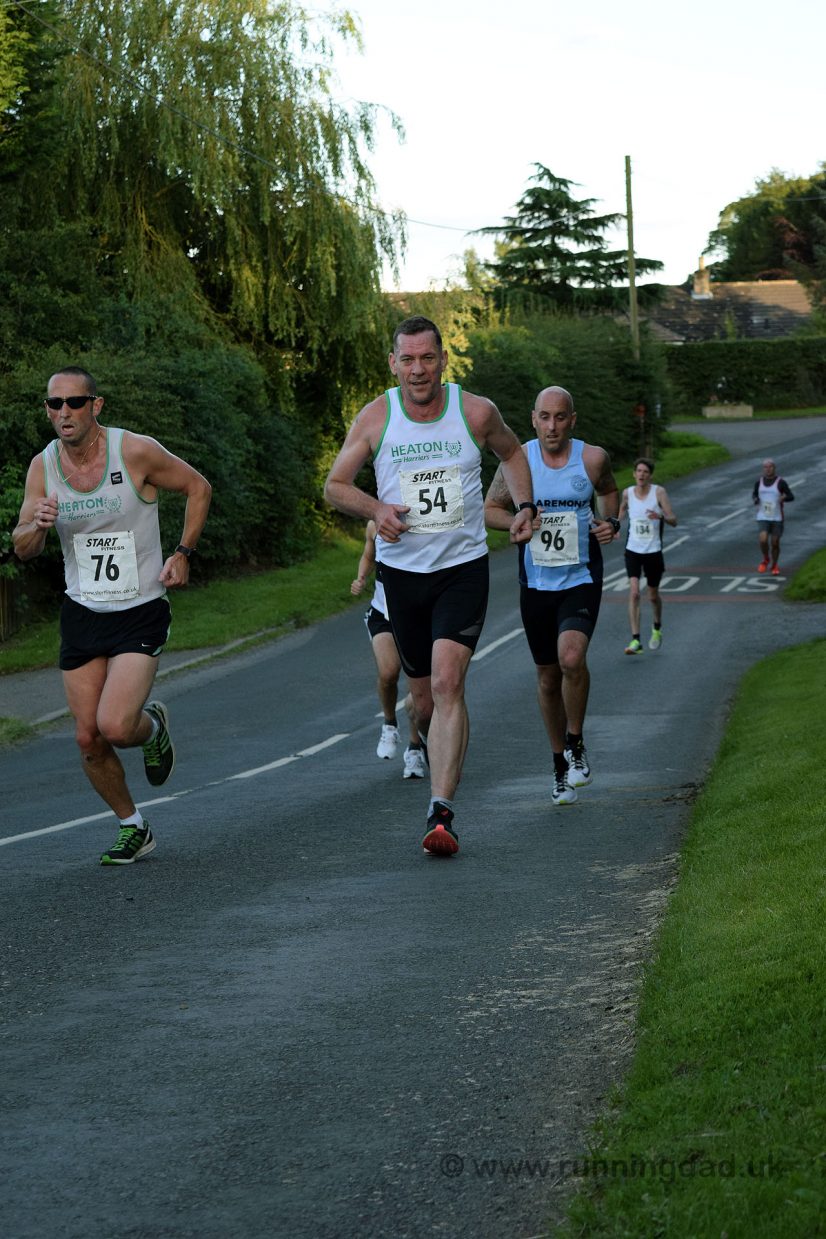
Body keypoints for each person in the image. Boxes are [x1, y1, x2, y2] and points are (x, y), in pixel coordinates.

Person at [324, 315, 535, 856]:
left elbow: (512, 452)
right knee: (422, 703)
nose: (418, 369)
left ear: (443, 359)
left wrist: (525, 505)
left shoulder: (476, 412)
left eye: (427, 358)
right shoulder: (376, 418)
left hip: (462, 570)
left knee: (447, 686)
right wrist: (375, 508)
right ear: (393, 364)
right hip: (401, 576)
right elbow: (334, 486)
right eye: (407, 359)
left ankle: (441, 813)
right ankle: (435, 741)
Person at [12, 366, 212, 866]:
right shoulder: (44, 467)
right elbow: (22, 547)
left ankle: (152, 728)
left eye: (74, 403)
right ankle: (133, 826)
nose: (64, 413)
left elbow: (198, 487)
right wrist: (34, 527)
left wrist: (183, 552)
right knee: (87, 736)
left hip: (140, 609)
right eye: (54, 405)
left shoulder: (134, 451)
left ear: (95, 406)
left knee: (117, 727)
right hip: (83, 611)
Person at [484, 385, 619, 807]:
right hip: (536, 583)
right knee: (547, 676)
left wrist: (610, 521)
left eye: (560, 417)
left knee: (571, 658)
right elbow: (490, 509)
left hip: (580, 577)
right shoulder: (517, 460)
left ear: (572, 420)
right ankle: (559, 763)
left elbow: (611, 492)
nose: (552, 426)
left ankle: (576, 740)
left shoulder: (592, 458)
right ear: (533, 419)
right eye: (545, 417)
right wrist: (514, 523)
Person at [351, 519, 426, 778]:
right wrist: (361, 577)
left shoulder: (424, 523)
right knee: (388, 672)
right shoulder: (374, 524)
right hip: (383, 612)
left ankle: (415, 748)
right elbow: (368, 555)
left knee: (418, 689)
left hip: (417, 614)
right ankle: (389, 724)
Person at [617, 457, 678, 654]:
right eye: (639, 471)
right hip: (633, 550)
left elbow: (673, 520)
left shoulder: (658, 492)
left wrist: (661, 516)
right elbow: (622, 509)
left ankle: (657, 627)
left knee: (652, 595)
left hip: (653, 551)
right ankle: (636, 640)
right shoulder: (627, 493)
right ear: (634, 474)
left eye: (645, 472)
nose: (641, 475)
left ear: (650, 475)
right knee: (634, 592)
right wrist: (616, 525)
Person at [752, 458, 793, 575]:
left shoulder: (780, 482)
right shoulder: (759, 482)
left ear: (774, 468)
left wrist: (784, 497)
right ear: (763, 469)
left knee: (775, 542)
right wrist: (755, 499)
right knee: (763, 539)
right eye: (765, 467)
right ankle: (766, 559)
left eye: (770, 467)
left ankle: (774, 565)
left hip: (777, 517)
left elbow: (791, 496)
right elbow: (755, 494)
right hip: (763, 516)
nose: (768, 469)